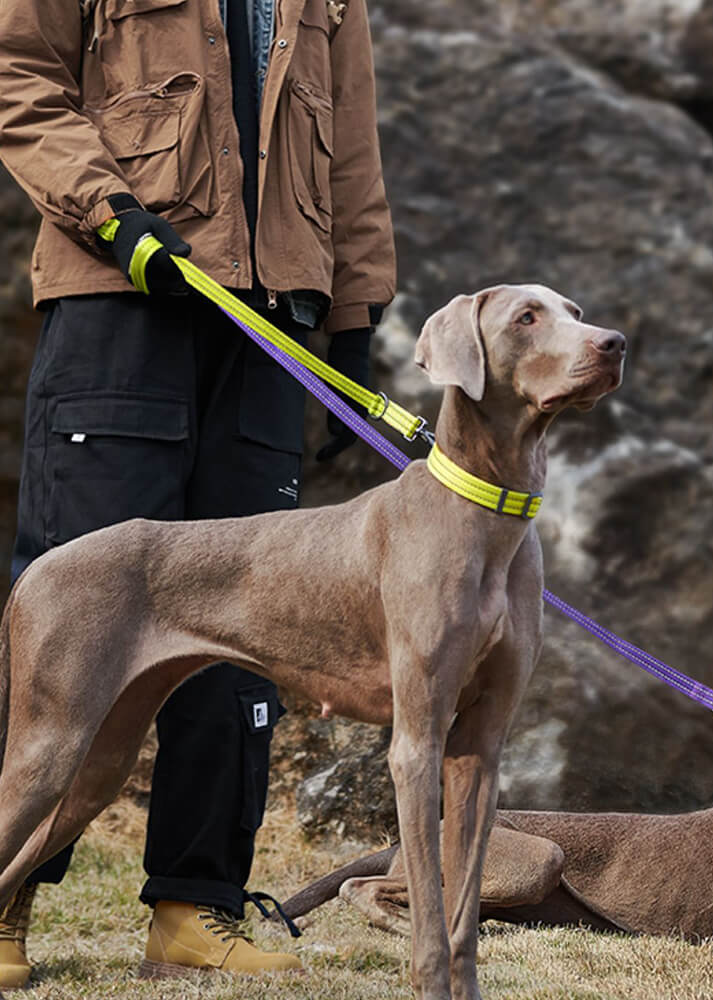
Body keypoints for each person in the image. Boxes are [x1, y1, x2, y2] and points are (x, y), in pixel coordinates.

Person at [0, 0, 395, 985]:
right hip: (115, 305)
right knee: (70, 628)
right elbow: (19, 82)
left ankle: (195, 908)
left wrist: (355, 309)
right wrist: (114, 218)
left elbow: (350, 144)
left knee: (246, 633)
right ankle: (3, 902)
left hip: (267, 329)